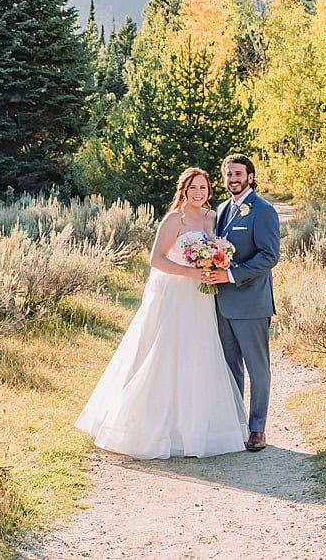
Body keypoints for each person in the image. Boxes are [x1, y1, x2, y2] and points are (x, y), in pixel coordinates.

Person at [74, 167, 247, 459]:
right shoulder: (173, 220)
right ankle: (148, 427)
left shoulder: (210, 217)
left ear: (208, 191)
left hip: (201, 298)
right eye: (193, 188)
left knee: (199, 354)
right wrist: (191, 271)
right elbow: (156, 259)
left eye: (203, 188)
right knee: (167, 353)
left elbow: (217, 249)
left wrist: (214, 264)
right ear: (184, 190)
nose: (198, 193)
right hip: (176, 295)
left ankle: (196, 428)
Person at [198, 153, 280, 452]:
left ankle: (257, 429)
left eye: (238, 174)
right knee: (230, 367)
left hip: (251, 303)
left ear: (250, 176)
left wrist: (230, 275)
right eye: (228, 174)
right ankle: (236, 424)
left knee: (258, 370)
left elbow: (269, 256)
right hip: (221, 303)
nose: (233, 179)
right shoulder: (221, 209)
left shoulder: (263, 210)